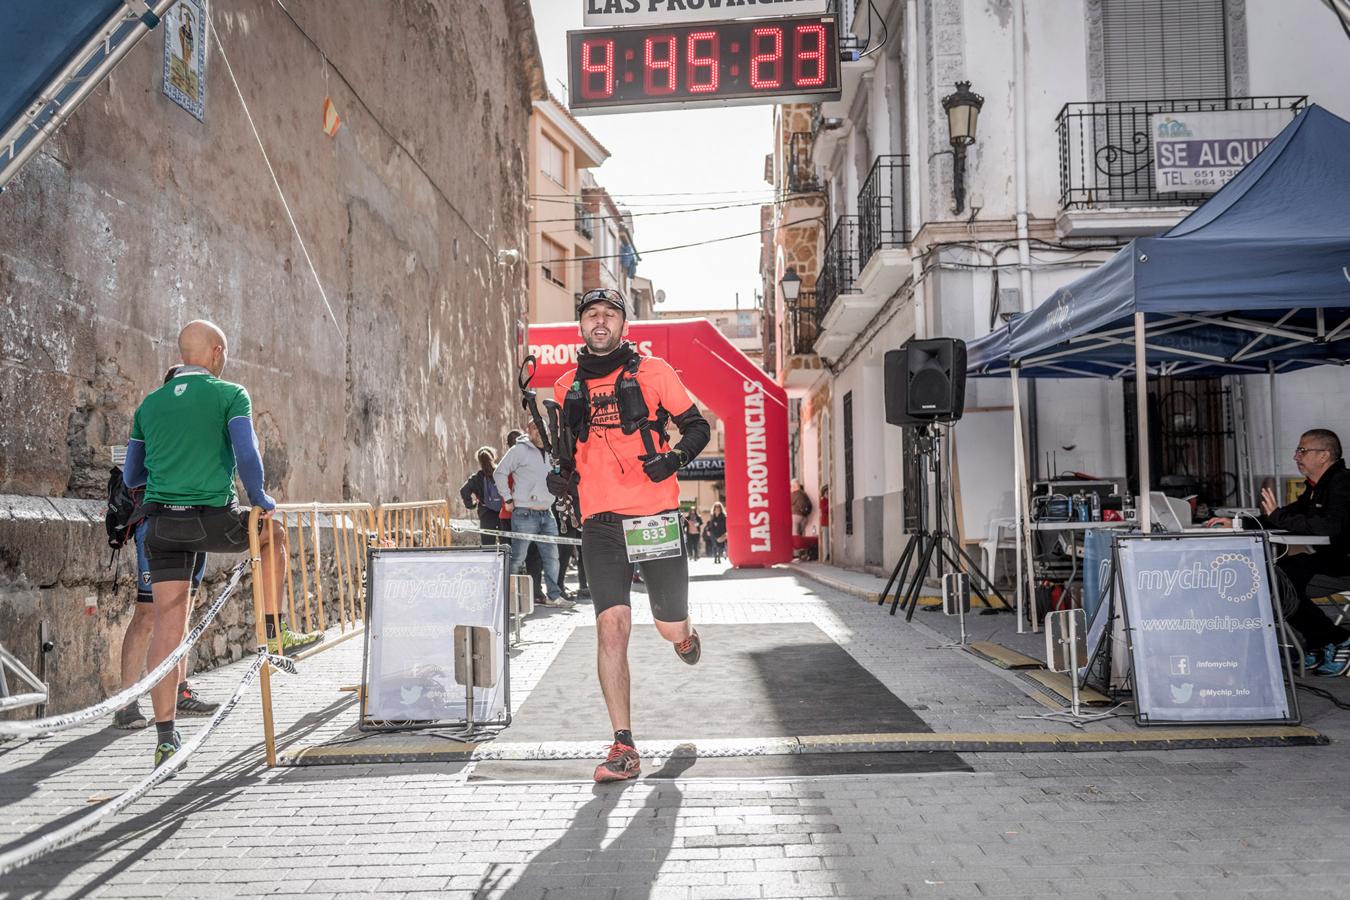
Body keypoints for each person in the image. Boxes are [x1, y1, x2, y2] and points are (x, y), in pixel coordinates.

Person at [123, 320, 318, 769]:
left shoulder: (148, 405)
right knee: (274, 535)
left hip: (163, 526)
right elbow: (247, 455)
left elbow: (133, 476)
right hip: (214, 519)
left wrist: (170, 481)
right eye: (223, 352)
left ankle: (166, 738)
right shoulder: (231, 394)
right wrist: (262, 498)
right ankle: (275, 629)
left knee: (168, 627)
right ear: (215, 351)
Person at [551, 287, 710, 782]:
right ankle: (624, 746)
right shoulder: (565, 387)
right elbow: (565, 452)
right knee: (611, 628)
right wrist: (560, 477)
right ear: (581, 325)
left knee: (667, 625)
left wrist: (674, 459)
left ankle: (683, 634)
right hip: (600, 522)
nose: (600, 322)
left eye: (609, 315)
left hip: (652, 516)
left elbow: (697, 426)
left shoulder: (654, 373)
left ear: (624, 324)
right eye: (591, 315)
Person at [114, 365, 219, 730]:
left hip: (197, 525)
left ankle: (179, 691)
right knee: (148, 614)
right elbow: (133, 474)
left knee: (182, 611)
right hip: (156, 526)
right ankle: (127, 701)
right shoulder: (156, 421)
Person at [1208, 428, 1350, 675]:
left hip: (1342, 564)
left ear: (1324, 455)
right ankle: (1320, 641)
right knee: (1269, 580)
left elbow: (1329, 527)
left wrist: (1278, 515)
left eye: (1302, 451)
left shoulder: (1343, 483)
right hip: (1328, 560)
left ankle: (1338, 640)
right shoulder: (1316, 487)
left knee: (1280, 585)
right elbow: (1286, 518)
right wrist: (1238, 523)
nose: (1296, 457)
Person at [495, 420, 574, 609]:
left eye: (542, 428)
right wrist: (507, 499)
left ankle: (554, 595)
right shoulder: (519, 450)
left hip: (547, 513)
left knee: (552, 557)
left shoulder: (551, 451)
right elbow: (499, 472)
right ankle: (507, 599)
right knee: (517, 559)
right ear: (528, 431)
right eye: (534, 428)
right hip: (524, 513)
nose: (539, 431)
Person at [460, 446, 505, 545]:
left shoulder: (476, 478)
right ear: (493, 457)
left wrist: (471, 505)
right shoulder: (502, 473)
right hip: (503, 513)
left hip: (486, 514)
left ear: (479, 461)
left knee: (488, 546)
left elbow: (464, 491)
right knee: (506, 546)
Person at [818, 484, 831, 563]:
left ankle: (829, 554)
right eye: (826, 493)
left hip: (829, 522)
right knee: (825, 539)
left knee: (829, 539)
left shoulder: (828, 500)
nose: (828, 494)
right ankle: (826, 555)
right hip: (825, 523)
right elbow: (824, 510)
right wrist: (828, 504)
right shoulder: (822, 501)